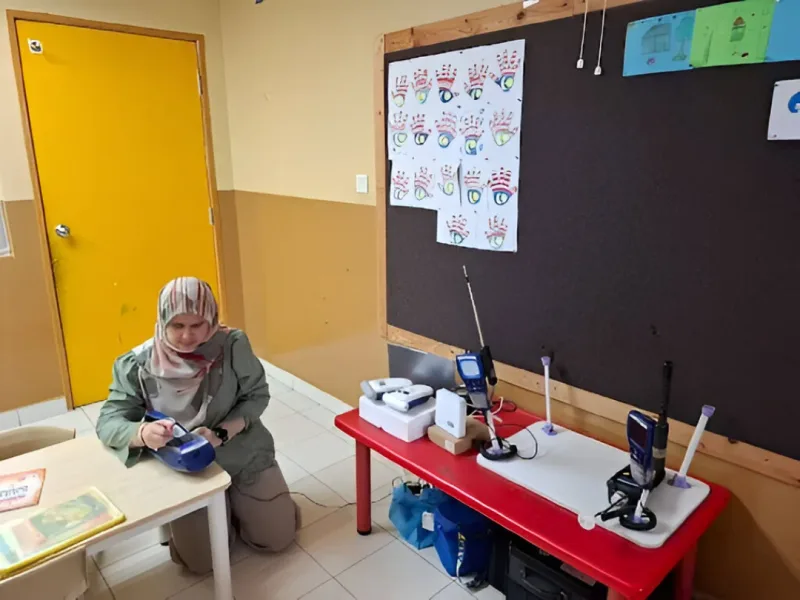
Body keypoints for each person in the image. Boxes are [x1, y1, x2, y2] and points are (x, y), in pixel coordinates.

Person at [96, 276, 297, 574]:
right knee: (203, 564)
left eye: (197, 325)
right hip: (186, 467)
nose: (187, 337)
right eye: (177, 325)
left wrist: (221, 432)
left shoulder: (232, 346)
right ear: (162, 320)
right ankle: (214, 511)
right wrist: (140, 433)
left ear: (212, 320)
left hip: (241, 450)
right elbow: (109, 421)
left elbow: (257, 396)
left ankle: (240, 500)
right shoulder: (136, 364)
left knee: (277, 538)